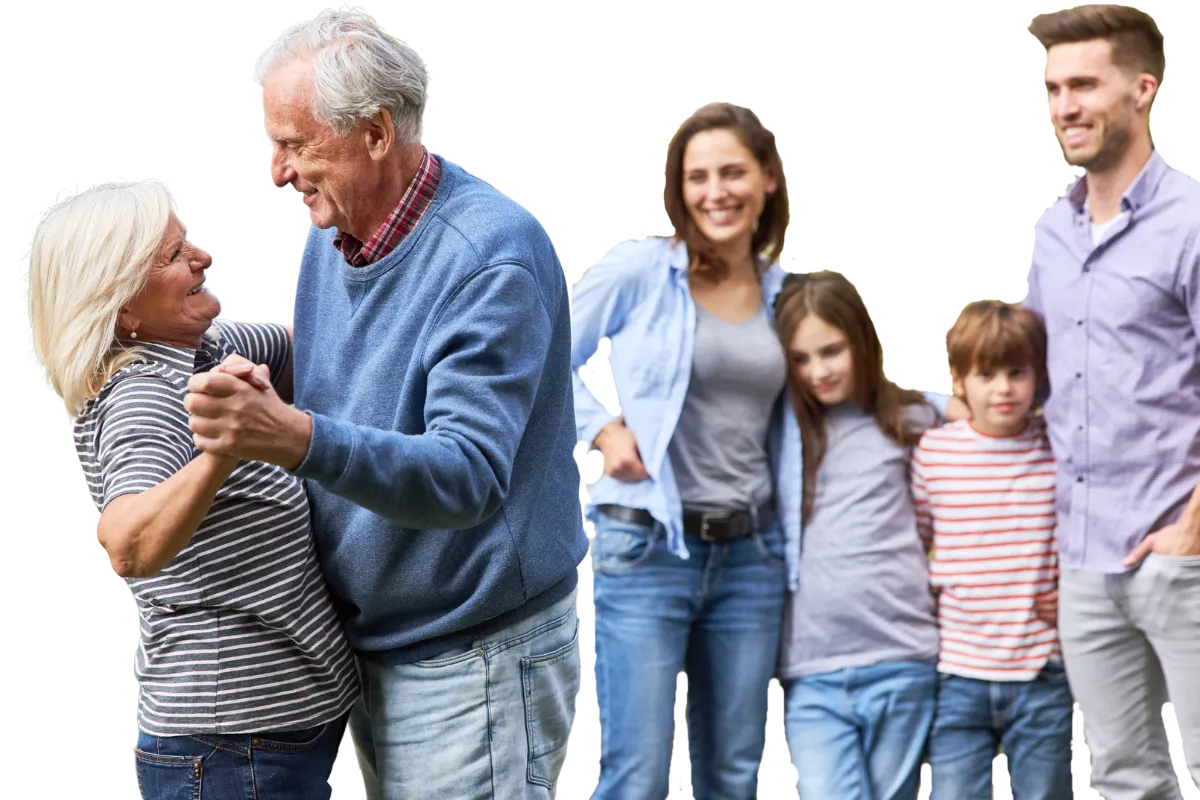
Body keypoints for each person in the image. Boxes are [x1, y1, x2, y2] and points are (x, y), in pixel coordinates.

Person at [183, 8, 589, 798]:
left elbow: (466, 475)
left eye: (298, 145)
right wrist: (172, 339)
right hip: (383, 646)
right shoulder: (337, 233)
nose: (276, 171)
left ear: (375, 133)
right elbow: (337, 357)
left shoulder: (487, 260)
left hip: (473, 656)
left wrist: (295, 438)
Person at [26, 180, 358, 799]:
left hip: (272, 736)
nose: (202, 257)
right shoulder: (144, 393)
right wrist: (224, 452)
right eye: (174, 256)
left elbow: (327, 348)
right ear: (124, 306)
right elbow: (127, 544)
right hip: (230, 745)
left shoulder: (204, 351)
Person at [569, 102, 794, 799]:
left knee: (730, 775)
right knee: (636, 775)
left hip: (753, 554)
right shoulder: (641, 268)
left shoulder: (787, 293)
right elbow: (541, 359)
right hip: (646, 546)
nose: (714, 191)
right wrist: (603, 431)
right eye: (697, 177)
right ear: (678, 188)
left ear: (766, 182)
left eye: (732, 172)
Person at [1026, 5, 1199, 798]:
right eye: (1055, 88)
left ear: (1142, 89)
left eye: (1085, 84)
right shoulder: (1050, 235)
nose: (1067, 106)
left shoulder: (1192, 222)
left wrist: (1191, 531)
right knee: (1127, 779)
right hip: (1083, 564)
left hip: (1182, 557)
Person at [771, 269, 945, 800]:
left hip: (904, 659)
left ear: (863, 341)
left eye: (832, 351)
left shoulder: (915, 418)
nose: (818, 371)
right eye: (801, 360)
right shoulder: (779, 437)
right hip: (813, 670)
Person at [912, 299, 1074, 799]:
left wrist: (1071, 588)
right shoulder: (935, 452)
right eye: (986, 374)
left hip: (1042, 672)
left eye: (1017, 372)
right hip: (958, 670)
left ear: (1038, 376)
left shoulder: (1056, 447)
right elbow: (915, 543)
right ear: (959, 379)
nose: (1003, 388)